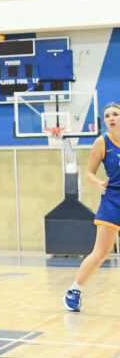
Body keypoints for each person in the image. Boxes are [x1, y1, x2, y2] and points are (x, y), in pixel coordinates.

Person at [65, 102, 120, 312]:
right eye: (107, 115)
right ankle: (73, 291)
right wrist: (98, 183)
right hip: (112, 198)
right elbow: (88, 173)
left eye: (115, 114)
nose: (111, 118)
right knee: (100, 253)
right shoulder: (102, 143)